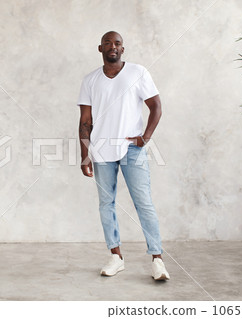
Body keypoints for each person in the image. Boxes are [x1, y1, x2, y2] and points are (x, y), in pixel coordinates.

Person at [77, 31, 170, 280]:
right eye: (108, 43)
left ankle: (157, 259)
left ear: (123, 49)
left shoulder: (137, 73)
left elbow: (156, 106)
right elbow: (85, 121)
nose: (113, 46)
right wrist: (85, 155)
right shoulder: (90, 80)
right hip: (101, 150)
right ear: (100, 49)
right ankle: (116, 256)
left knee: (143, 202)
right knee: (106, 204)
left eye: (117, 43)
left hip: (132, 148)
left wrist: (146, 137)